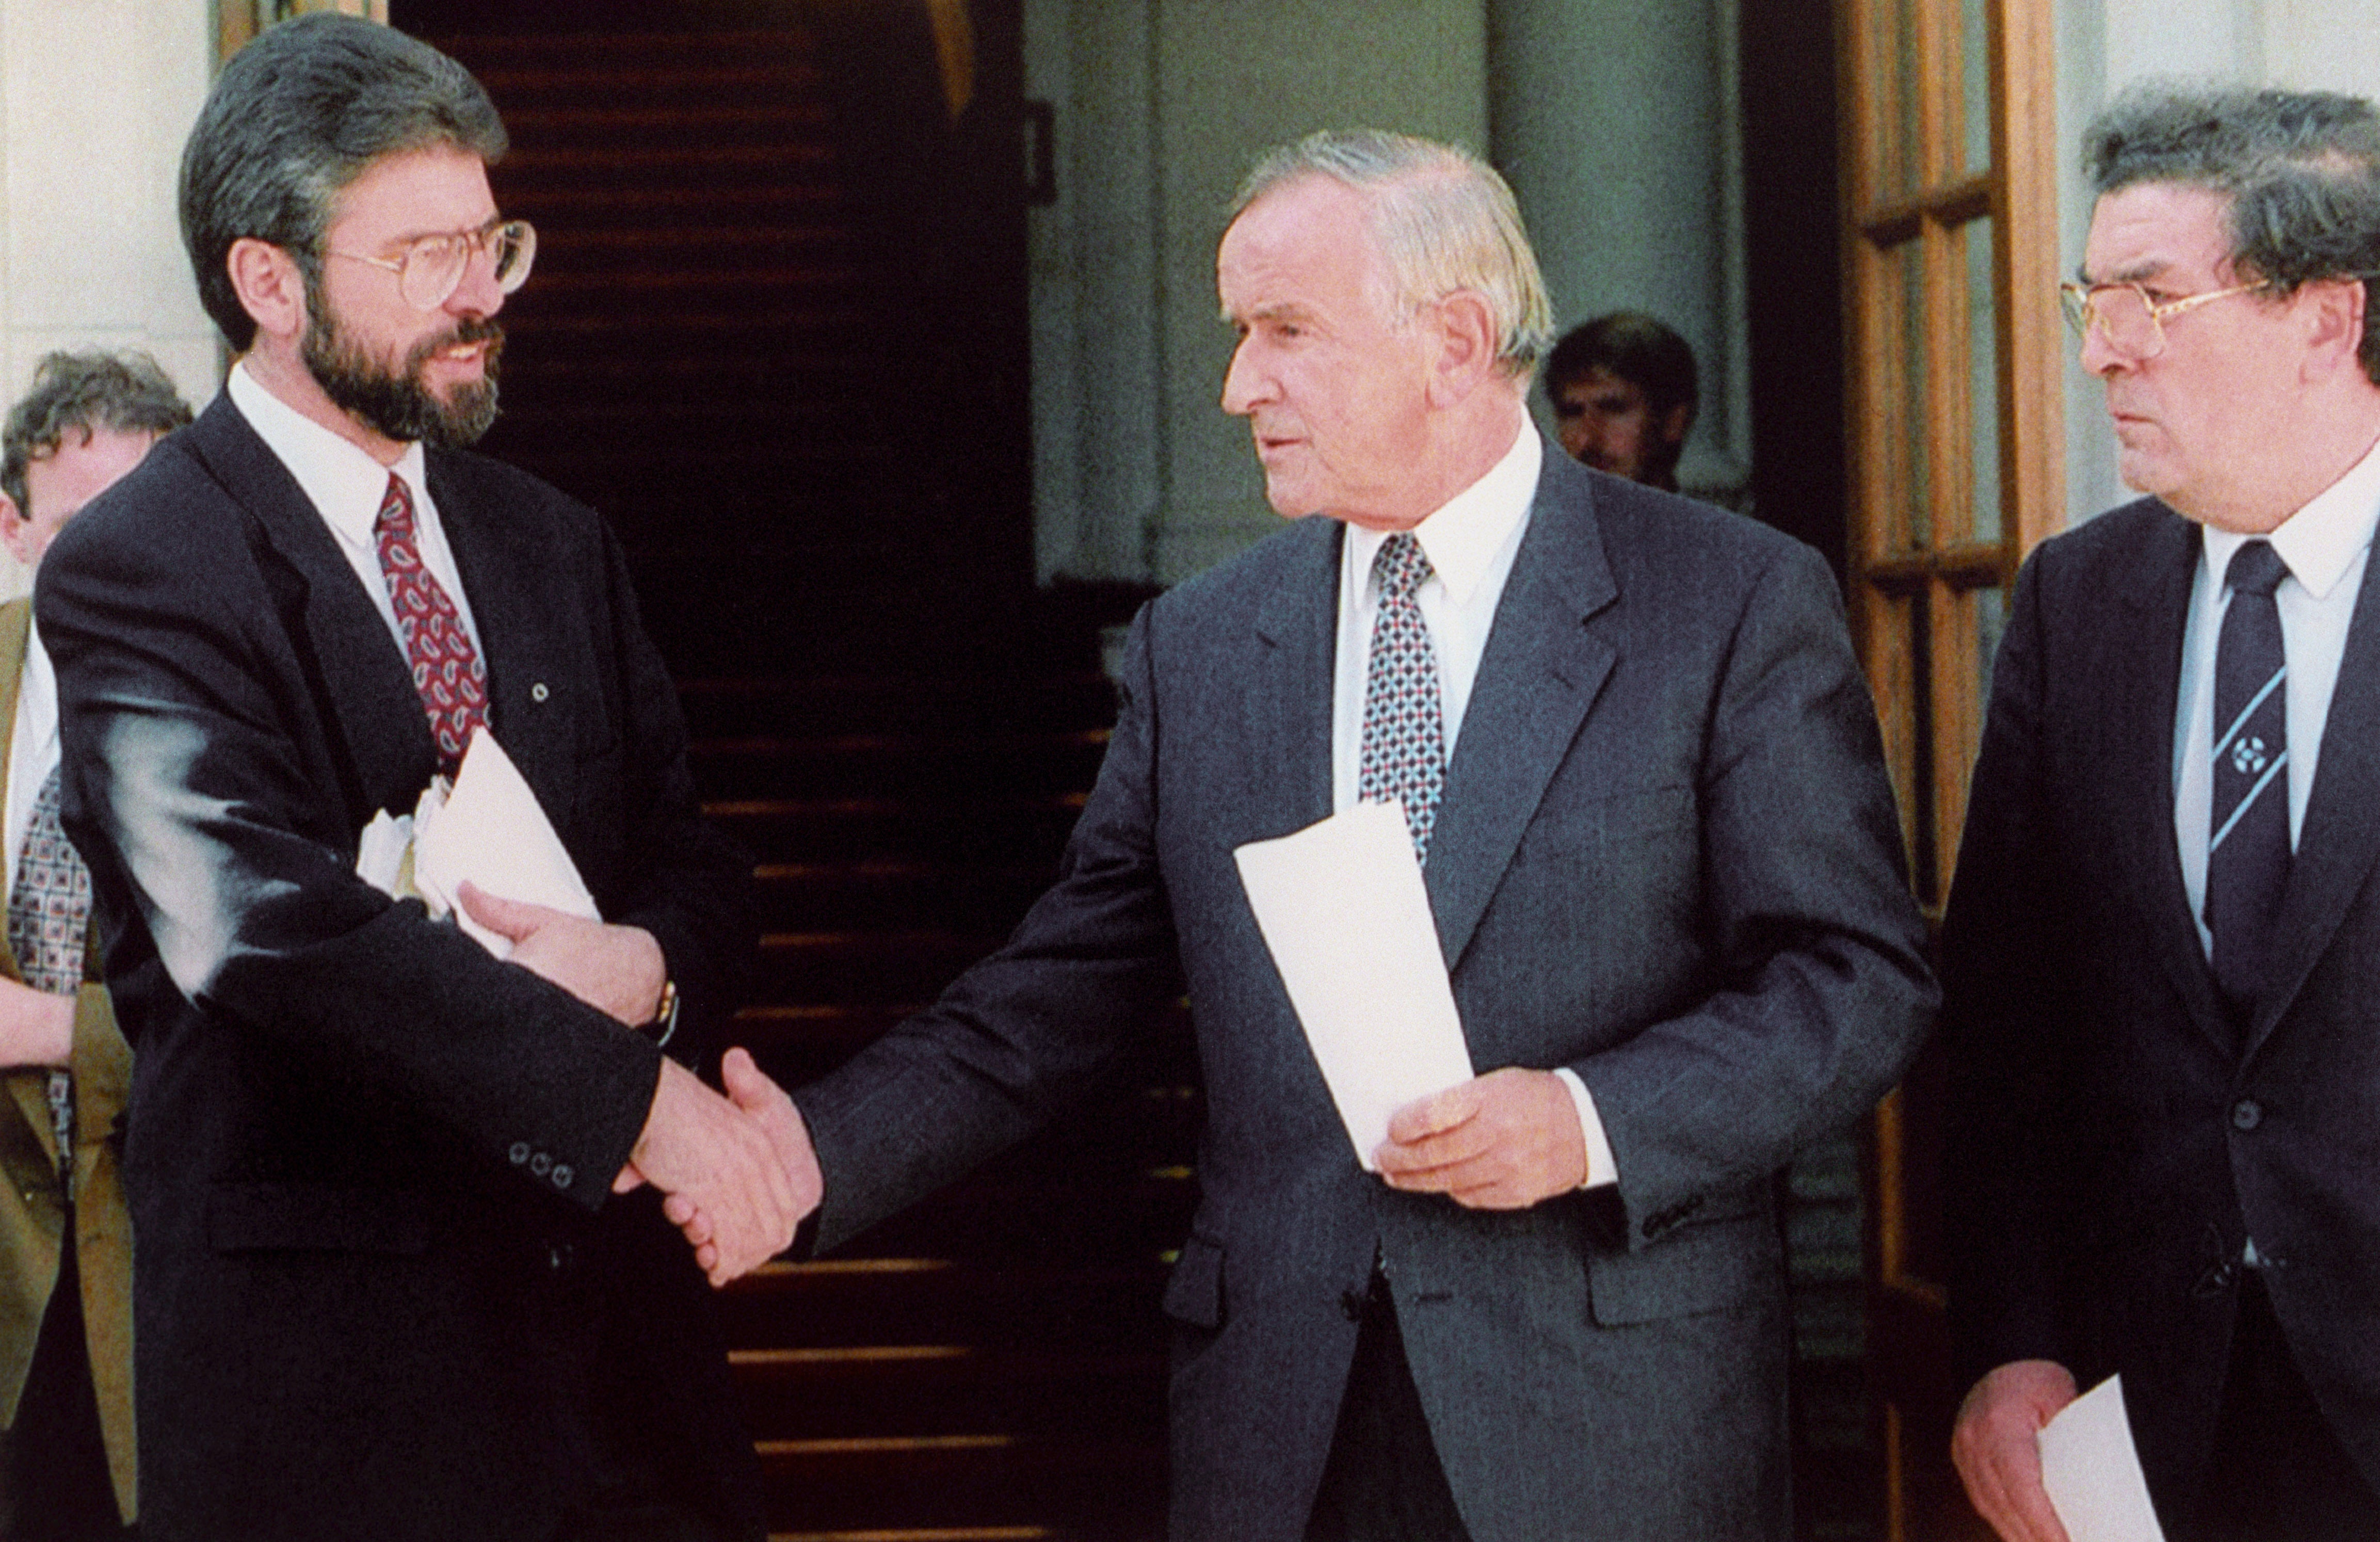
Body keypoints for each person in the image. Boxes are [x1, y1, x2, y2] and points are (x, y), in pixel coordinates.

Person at [742, 130, 1933, 1541]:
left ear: (1453, 339)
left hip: (1611, 1429)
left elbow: (1853, 981)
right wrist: (807, 1155)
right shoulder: (1202, 644)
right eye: (1240, 334)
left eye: (1285, 332)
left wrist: (1590, 1118)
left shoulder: (1727, 602)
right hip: (1278, 1430)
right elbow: (1060, 987)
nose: (1240, 384)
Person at [34, 17, 808, 1542]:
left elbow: (697, 863)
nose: (483, 296)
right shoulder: (141, 567)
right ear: (269, 282)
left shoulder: (554, 539)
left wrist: (643, 962)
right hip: (329, 1420)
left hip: (622, 1405)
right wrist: (633, 1105)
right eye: (424, 256)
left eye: (493, 243)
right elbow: (260, 927)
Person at [1943, 84, 2380, 1542]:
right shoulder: (2082, 598)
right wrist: (2006, 1341)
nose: (2093, 349)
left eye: (2148, 296)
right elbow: (2006, 1021)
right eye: (2089, 294)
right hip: (2145, 1429)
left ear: (2325, 315)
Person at [0, 350, 188, 1541]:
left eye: (150, 520)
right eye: (80, 527)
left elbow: (302, 996)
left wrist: (55, 1027)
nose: (122, 564)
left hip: (179, 1296)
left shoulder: (254, 697)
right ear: (12, 527)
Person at [1542, 311, 1698, 491]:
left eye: (1614, 409)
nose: (1587, 438)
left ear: (1673, 423)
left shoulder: (1709, 520)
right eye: (1572, 413)